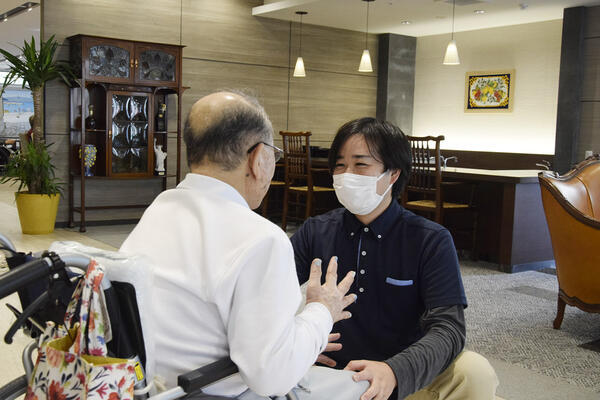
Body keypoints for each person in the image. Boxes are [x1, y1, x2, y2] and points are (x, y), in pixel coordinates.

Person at [120, 91, 367, 399]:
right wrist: (322, 311)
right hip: (209, 392)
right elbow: (273, 377)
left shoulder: (160, 209)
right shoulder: (262, 238)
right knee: (363, 387)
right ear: (258, 158)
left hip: (145, 386)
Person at [290, 117, 499, 400]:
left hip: (400, 378)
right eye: (339, 165)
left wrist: (395, 371)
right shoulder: (315, 231)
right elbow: (265, 299)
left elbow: (449, 329)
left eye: (360, 164)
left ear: (393, 174)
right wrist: (301, 336)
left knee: (473, 372)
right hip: (330, 378)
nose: (346, 174)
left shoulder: (430, 240)